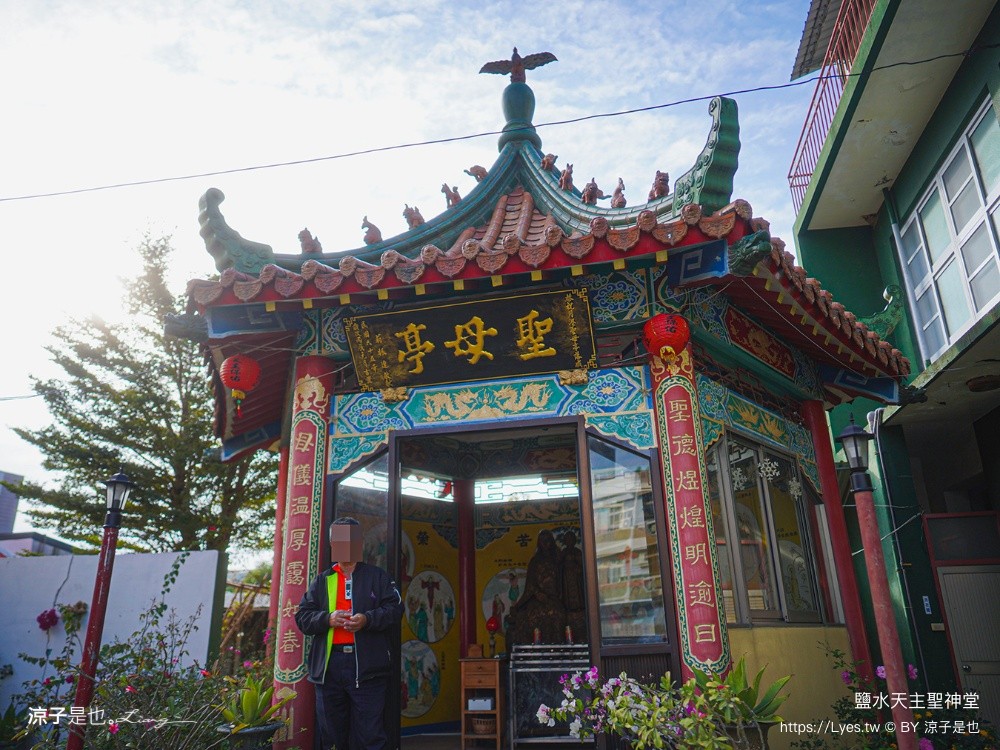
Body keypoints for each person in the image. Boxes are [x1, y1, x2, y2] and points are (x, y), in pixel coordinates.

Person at [295, 517, 403, 750]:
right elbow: (302, 617)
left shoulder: (378, 577)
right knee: (332, 734)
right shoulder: (322, 581)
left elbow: (395, 610)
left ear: (360, 543)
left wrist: (367, 619)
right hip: (329, 667)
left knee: (371, 735)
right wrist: (328, 618)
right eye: (340, 540)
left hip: (368, 668)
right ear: (333, 544)